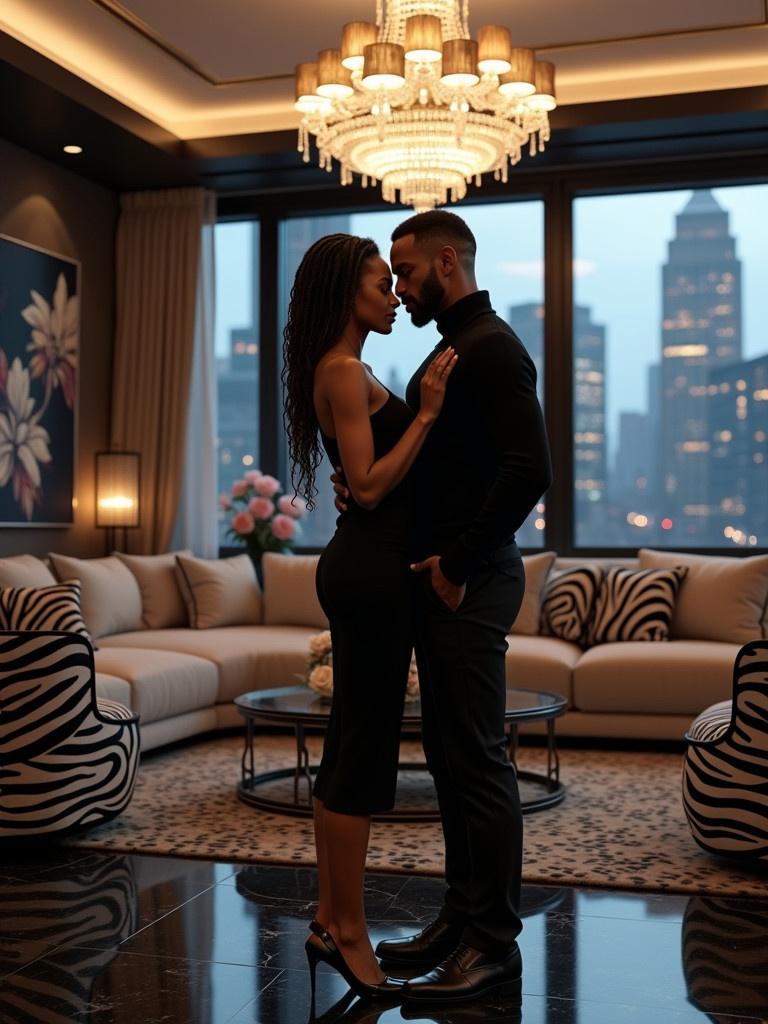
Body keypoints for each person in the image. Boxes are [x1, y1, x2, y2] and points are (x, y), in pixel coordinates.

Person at [332, 210, 552, 1007]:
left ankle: (494, 944)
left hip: (472, 578)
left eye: (409, 271)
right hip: (444, 578)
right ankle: (461, 919)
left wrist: (457, 566)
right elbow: (444, 467)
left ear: (447, 261)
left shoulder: (491, 349)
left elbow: (531, 470)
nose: (401, 286)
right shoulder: (452, 347)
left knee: (479, 762)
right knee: (455, 764)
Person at [281, 233, 458, 1003]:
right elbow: (370, 484)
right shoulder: (345, 370)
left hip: (362, 569)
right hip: (369, 575)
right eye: (382, 284)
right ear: (346, 291)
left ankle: (330, 921)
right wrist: (424, 414)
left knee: (347, 749)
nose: (394, 297)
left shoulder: (340, 368)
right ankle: (348, 932)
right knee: (360, 759)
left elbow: (363, 486)